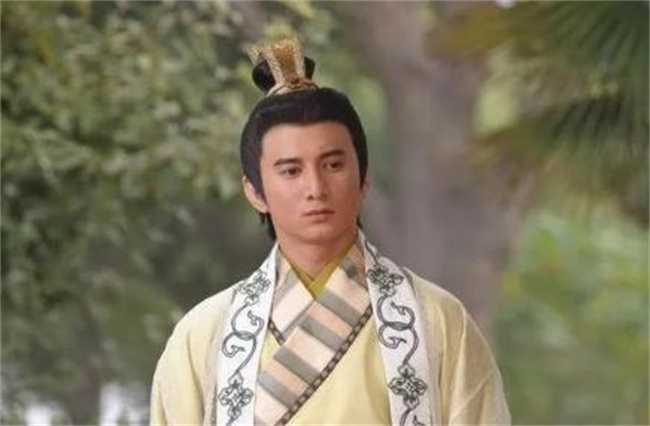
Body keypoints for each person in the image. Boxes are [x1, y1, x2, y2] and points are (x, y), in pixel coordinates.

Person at [150, 36, 511, 426]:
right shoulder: (203, 335)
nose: (316, 188)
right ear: (255, 192)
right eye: (291, 171)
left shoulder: (438, 321)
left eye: (333, 165)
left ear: (364, 177)